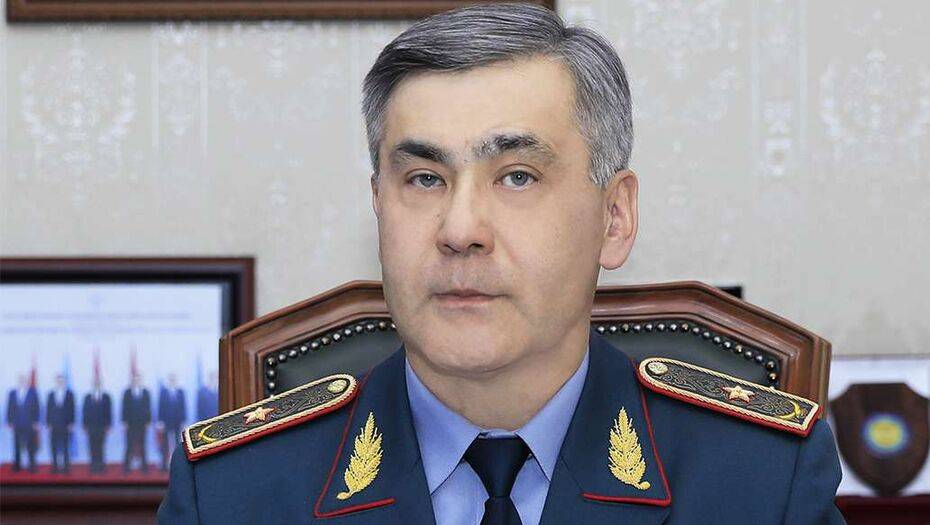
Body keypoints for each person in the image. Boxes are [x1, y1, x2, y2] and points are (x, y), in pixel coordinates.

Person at [159, 4, 845, 524]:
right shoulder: (231, 493)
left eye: (517, 176)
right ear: (378, 207)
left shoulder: (759, 482)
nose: (460, 230)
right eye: (424, 178)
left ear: (615, 218)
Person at [6, 374, 40, 473]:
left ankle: (32, 465)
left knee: (30, 445)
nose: (22, 382)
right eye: (20, 380)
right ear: (18, 381)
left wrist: (36, 422)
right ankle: (17, 465)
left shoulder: (33, 392)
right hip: (16, 424)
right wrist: (9, 421)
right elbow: (9, 408)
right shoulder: (12, 393)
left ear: (26, 381)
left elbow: (37, 407)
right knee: (16, 445)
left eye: (23, 380)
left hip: (30, 423)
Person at [122, 373, 151, 473]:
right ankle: (126, 467)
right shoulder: (127, 392)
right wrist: (124, 421)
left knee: (143, 445)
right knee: (129, 445)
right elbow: (124, 407)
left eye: (138, 379)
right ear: (132, 381)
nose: (136, 381)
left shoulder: (145, 392)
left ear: (141, 380)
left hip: (142, 423)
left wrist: (148, 421)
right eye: (134, 380)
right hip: (130, 423)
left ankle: (144, 467)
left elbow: (148, 408)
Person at [46, 374, 75, 474]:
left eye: (62, 381)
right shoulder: (50, 394)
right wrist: (48, 423)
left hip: (66, 425)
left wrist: (71, 423)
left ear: (65, 382)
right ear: (56, 382)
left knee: (66, 446)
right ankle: (55, 466)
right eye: (58, 381)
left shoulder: (70, 394)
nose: (60, 382)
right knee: (53, 446)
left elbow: (72, 409)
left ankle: (66, 467)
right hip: (53, 425)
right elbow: (48, 410)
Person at [157, 373, 187, 471]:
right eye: (171, 379)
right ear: (169, 380)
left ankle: (177, 463)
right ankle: (163, 464)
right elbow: (160, 407)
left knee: (177, 443)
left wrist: (183, 421)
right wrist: (160, 421)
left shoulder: (181, 391)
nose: (172, 381)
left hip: (178, 421)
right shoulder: (164, 392)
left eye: (174, 379)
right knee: (165, 443)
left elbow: (183, 407)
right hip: (166, 421)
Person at [82, 377, 112, 473]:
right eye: (95, 383)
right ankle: (93, 467)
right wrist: (84, 425)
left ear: (101, 385)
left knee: (101, 447)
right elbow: (84, 412)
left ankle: (101, 467)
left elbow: (109, 412)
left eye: (98, 383)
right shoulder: (87, 397)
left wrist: (108, 425)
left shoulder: (106, 397)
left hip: (102, 426)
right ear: (92, 385)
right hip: (91, 426)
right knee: (92, 447)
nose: (97, 385)